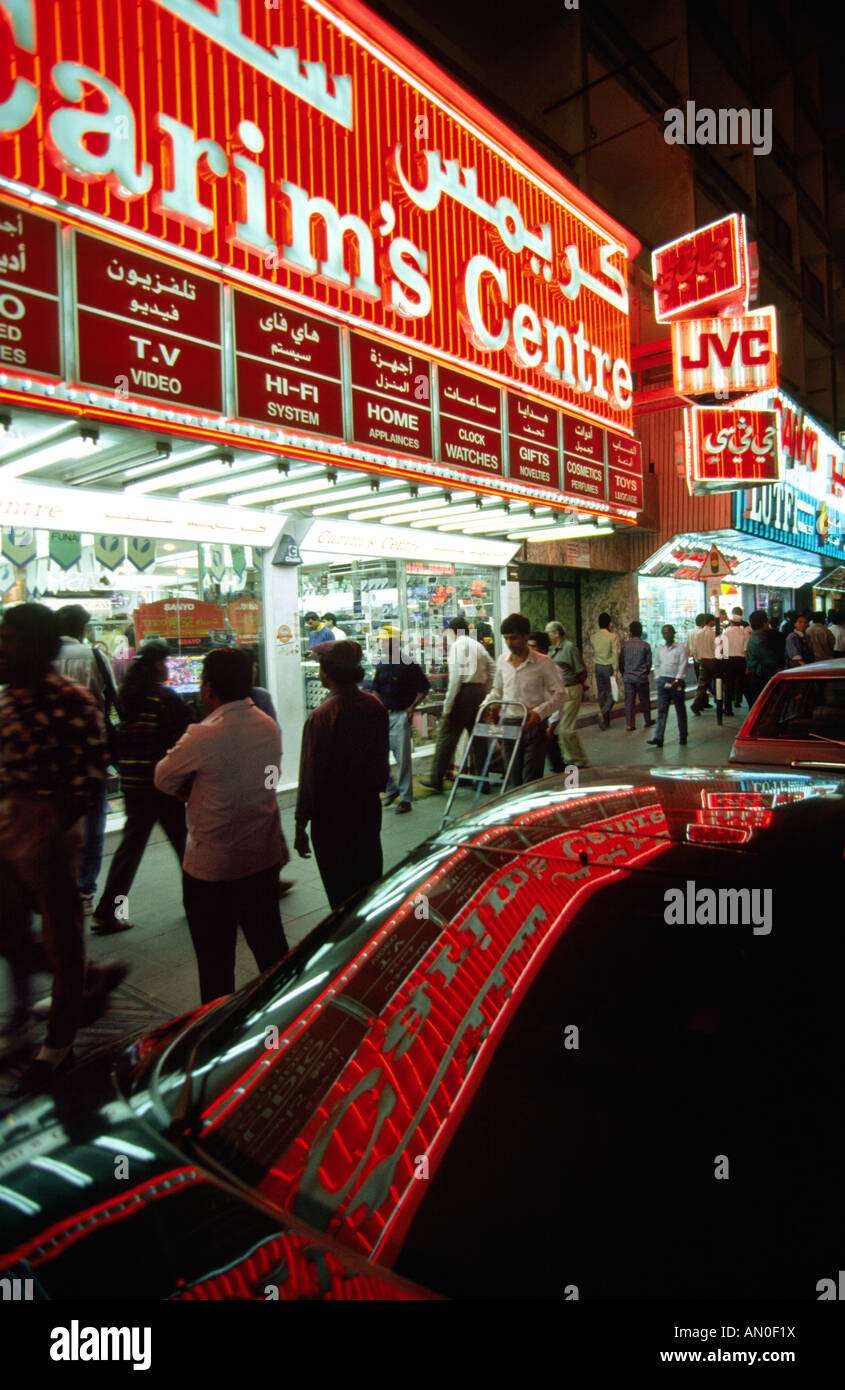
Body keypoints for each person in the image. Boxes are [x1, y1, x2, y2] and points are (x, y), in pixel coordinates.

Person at [0, 604, 126, 1095]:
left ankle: (57, 1046)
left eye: (10, 638)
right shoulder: (12, 699)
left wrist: (53, 831)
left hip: (50, 832)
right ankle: (91, 981)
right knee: (9, 931)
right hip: (13, 825)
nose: (2, 647)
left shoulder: (71, 700)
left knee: (62, 939)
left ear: (36, 644)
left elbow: (92, 773)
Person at [154, 648, 288, 1004]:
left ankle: (217, 1034)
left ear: (208, 687)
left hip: (212, 869)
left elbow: (162, 778)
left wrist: (190, 788)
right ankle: (286, 1020)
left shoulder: (203, 734)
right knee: (270, 948)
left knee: (215, 964)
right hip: (261, 858)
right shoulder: (267, 724)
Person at [91, 641, 192, 936]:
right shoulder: (164, 697)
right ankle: (196, 902)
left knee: (130, 851)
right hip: (161, 784)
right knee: (184, 845)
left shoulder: (126, 697)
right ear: (155, 666)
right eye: (165, 662)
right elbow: (184, 735)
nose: (168, 668)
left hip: (134, 784)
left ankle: (108, 911)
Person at [294, 641, 389, 910]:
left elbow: (311, 774)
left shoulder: (322, 716)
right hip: (367, 810)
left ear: (327, 673)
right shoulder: (375, 707)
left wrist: (301, 822)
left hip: (332, 818)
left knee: (340, 892)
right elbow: (381, 763)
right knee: (368, 884)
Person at [54, 604, 120, 917]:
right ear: (83, 628)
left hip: (53, 756)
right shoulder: (94, 656)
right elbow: (112, 699)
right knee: (93, 823)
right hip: (91, 752)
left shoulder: (42, 659)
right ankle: (85, 889)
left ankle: (58, 886)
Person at [480, 613, 564, 787]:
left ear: (526, 636)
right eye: (506, 638)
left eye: (514, 638)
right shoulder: (502, 661)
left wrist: (539, 713)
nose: (510, 643)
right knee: (513, 778)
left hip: (533, 725)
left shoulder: (543, 663)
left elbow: (560, 694)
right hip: (508, 724)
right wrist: (485, 705)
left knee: (531, 780)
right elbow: (497, 691)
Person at [420, 615, 495, 793]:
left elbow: (455, 681)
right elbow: (494, 669)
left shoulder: (457, 647)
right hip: (478, 693)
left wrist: (447, 708)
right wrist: (488, 690)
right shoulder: (478, 646)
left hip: (463, 694)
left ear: (453, 632)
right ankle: (483, 782)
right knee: (478, 738)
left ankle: (436, 779)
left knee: (447, 736)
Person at [372, 626, 430, 814]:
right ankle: (391, 789)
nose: (381, 643)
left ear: (395, 642)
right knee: (376, 756)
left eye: (384, 640)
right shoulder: (381, 664)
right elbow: (377, 689)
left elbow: (424, 688)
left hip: (400, 715)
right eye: (381, 640)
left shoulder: (409, 664)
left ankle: (405, 799)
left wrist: (411, 708)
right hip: (383, 716)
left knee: (402, 759)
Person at [545, 621, 589, 768]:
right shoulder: (552, 650)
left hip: (571, 689)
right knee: (560, 728)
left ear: (557, 633)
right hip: (560, 691)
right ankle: (571, 757)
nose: (547, 635)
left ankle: (577, 760)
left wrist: (580, 686)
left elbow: (581, 670)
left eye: (549, 632)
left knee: (566, 728)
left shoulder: (569, 648)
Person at [647, 625, 689, 749]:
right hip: (663, 681)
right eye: (664, 633)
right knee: (661, 710)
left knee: (680, 710)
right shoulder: (660, 649)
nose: (666, 635)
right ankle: (658, 737)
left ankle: (683, 736)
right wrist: (658, 678)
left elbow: (684, 664)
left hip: (677, 682)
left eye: (668, 632)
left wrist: (678, 679)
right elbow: (657, 664)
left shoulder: (681, 648)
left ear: (673, 633)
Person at [619, 621, 653, 731]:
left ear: (630, 632)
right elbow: (648, 664)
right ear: (641, 631)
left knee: (629, 701)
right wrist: (644, 673)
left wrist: (624, 673)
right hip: (641, 678)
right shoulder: (646, 646)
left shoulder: (624, 645)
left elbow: (621, 662)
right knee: (644, 700)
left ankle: (630, 724)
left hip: (628, 677)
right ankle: (647, 720)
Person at [589, 612, 619, 730]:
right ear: (609, 623)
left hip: (598, 666)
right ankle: (603, 713)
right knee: (613, 693)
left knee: (602, 693)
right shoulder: (613, 637)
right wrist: (616, 671)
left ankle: (606, 721)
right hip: (608, 667)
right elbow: (615, 654)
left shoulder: (593, 637)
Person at [745, 611, 780, 703]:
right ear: (764, 623)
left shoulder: (756, 636)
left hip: (756, 675)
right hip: (760, 676)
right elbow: (770, 660)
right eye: (767, 621)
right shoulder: (759, 641)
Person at [723, 608, 751, 711]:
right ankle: (752, 705)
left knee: (729, 685)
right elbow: (746, 651)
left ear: (731, 622)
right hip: (741, 661)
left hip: (728, 661)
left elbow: (722, 650)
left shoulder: (725, 633)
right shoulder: (744, 634)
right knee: (744, 684)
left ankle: (727, 709)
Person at [691, 614, 718, 715]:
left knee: (702, 685)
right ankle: (720, 701)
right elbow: (715, 648)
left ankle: (695, 704)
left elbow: (695, 648)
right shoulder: (713, 633)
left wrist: (698, 659)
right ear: (711, 621)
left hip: (702, 661)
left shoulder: (699, 633)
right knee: (718, 682)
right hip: (712, 660)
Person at [687, 616, 712, 710]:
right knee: (705, 682)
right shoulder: (703, 632)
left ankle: (701, 702)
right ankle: (703, 702)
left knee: (700, 681)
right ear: (702, 622)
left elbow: (688, 646)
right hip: (704, 659)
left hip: (695, 659)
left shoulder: (690, 632)